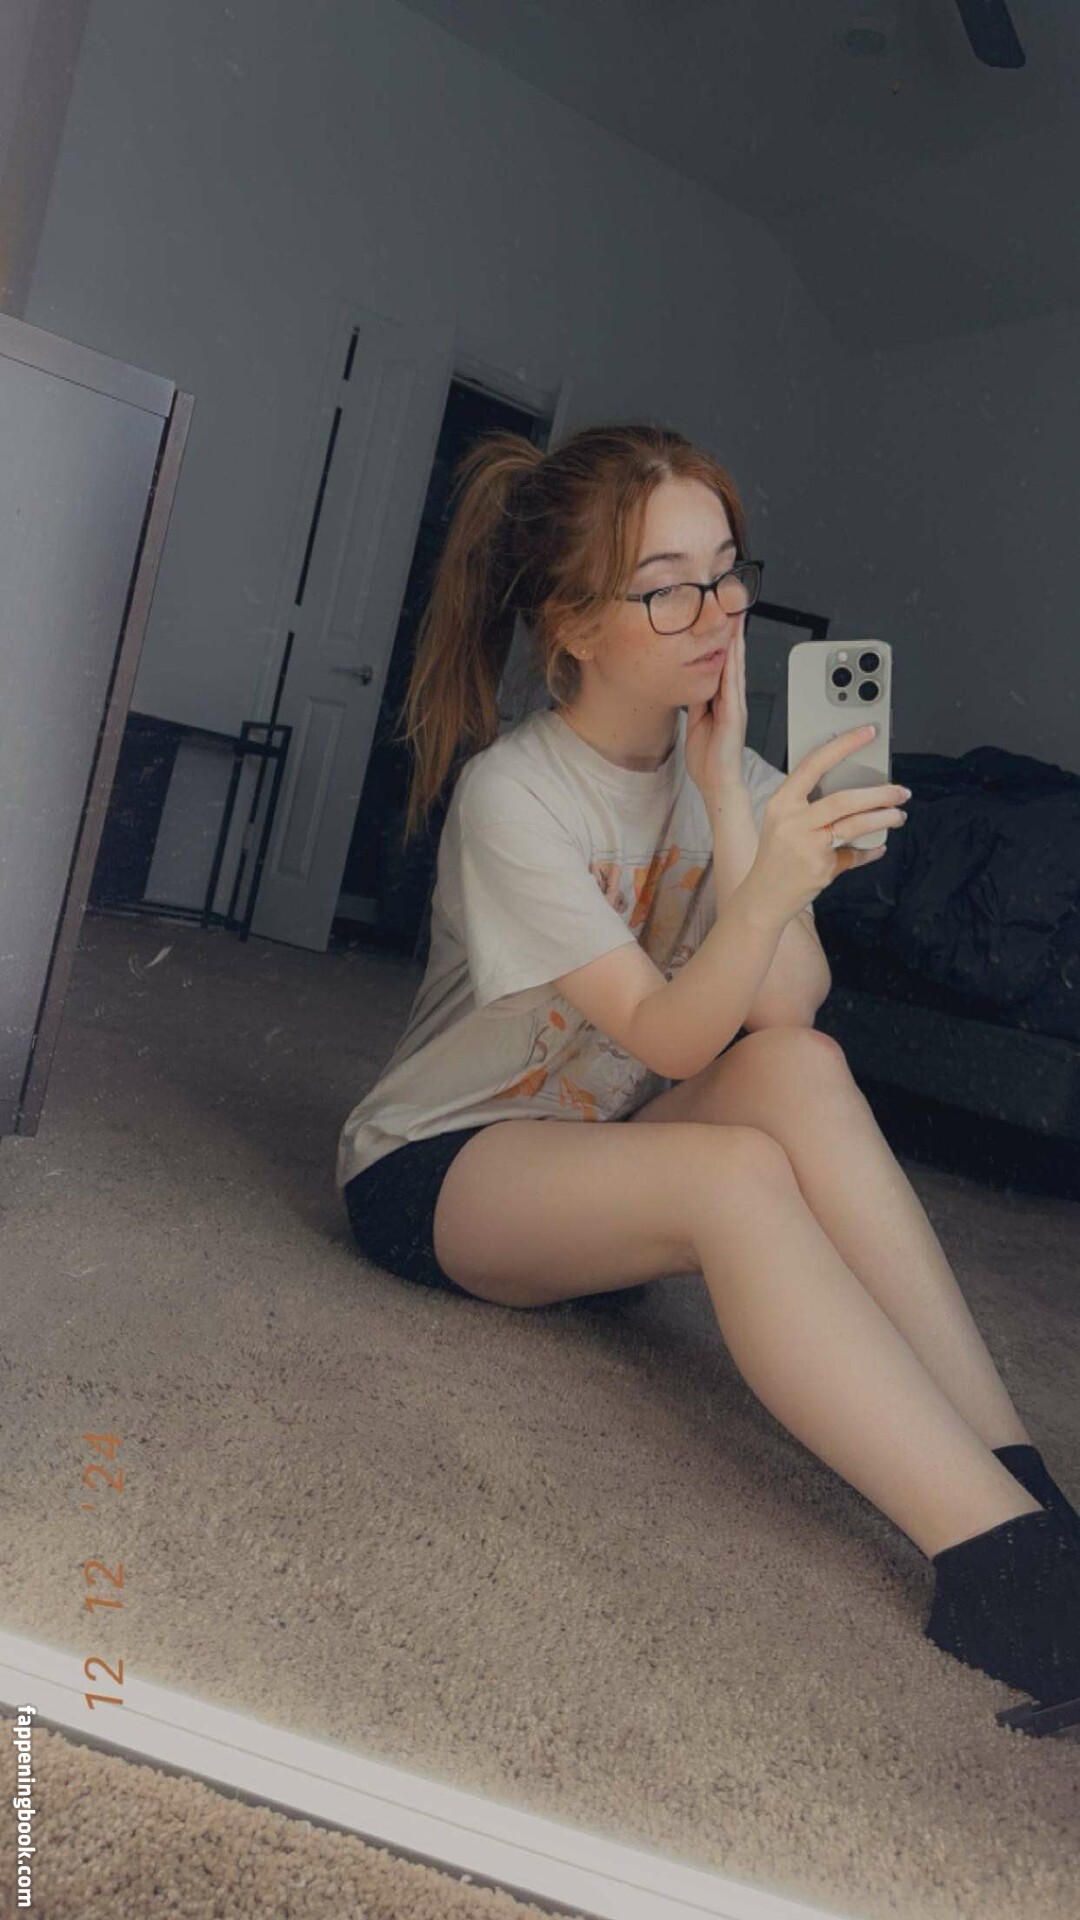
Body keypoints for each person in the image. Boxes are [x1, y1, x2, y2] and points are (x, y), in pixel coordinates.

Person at [338, 420, 1080, 1731]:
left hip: (605, 1159)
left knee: (802, 1068)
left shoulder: (726, 770)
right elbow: (674, 1041)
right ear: (572, 625)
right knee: (736, 1174)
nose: (721, 611)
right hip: (445, 1168)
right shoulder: (517, 795)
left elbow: (784, 1012)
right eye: (667, 586)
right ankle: (998, 1572)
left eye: (727, 572)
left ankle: (1026, 1493)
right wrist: (771, 871)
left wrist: (734, 804)